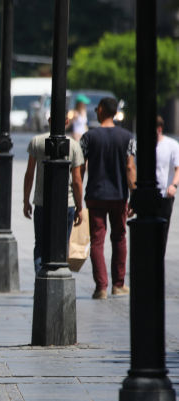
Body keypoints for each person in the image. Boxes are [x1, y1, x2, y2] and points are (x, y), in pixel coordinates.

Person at [79, 97, 136, 299]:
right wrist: (134, 194)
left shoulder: (88, 137)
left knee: (97, 241)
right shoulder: (127, 137)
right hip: (119, 195)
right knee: (119, 238)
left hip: (95, 194)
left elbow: (80, 169)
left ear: (101, 110)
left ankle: (101, 287)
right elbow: (130, 167)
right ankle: (118, 285)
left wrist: (78, 195)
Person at [23, 115, 85, 274]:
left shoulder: (37, 142)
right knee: (62, 244)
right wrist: (79, 207)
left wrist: (26, 200)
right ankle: (59, 277)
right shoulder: (73, 145)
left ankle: (40, 278)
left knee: (40, 245)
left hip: (41, 202)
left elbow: (29, 174)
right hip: (67, 203)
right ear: (67, 122)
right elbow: (77, 180)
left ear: (49, 120)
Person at [156, 115, 179, 250]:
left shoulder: (172, 145)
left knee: (162, 232)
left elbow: (178, 168)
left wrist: (174, 185)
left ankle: (159, 258)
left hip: (165, 195)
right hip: (148, 194)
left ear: (159, 129)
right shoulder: (142, 146)